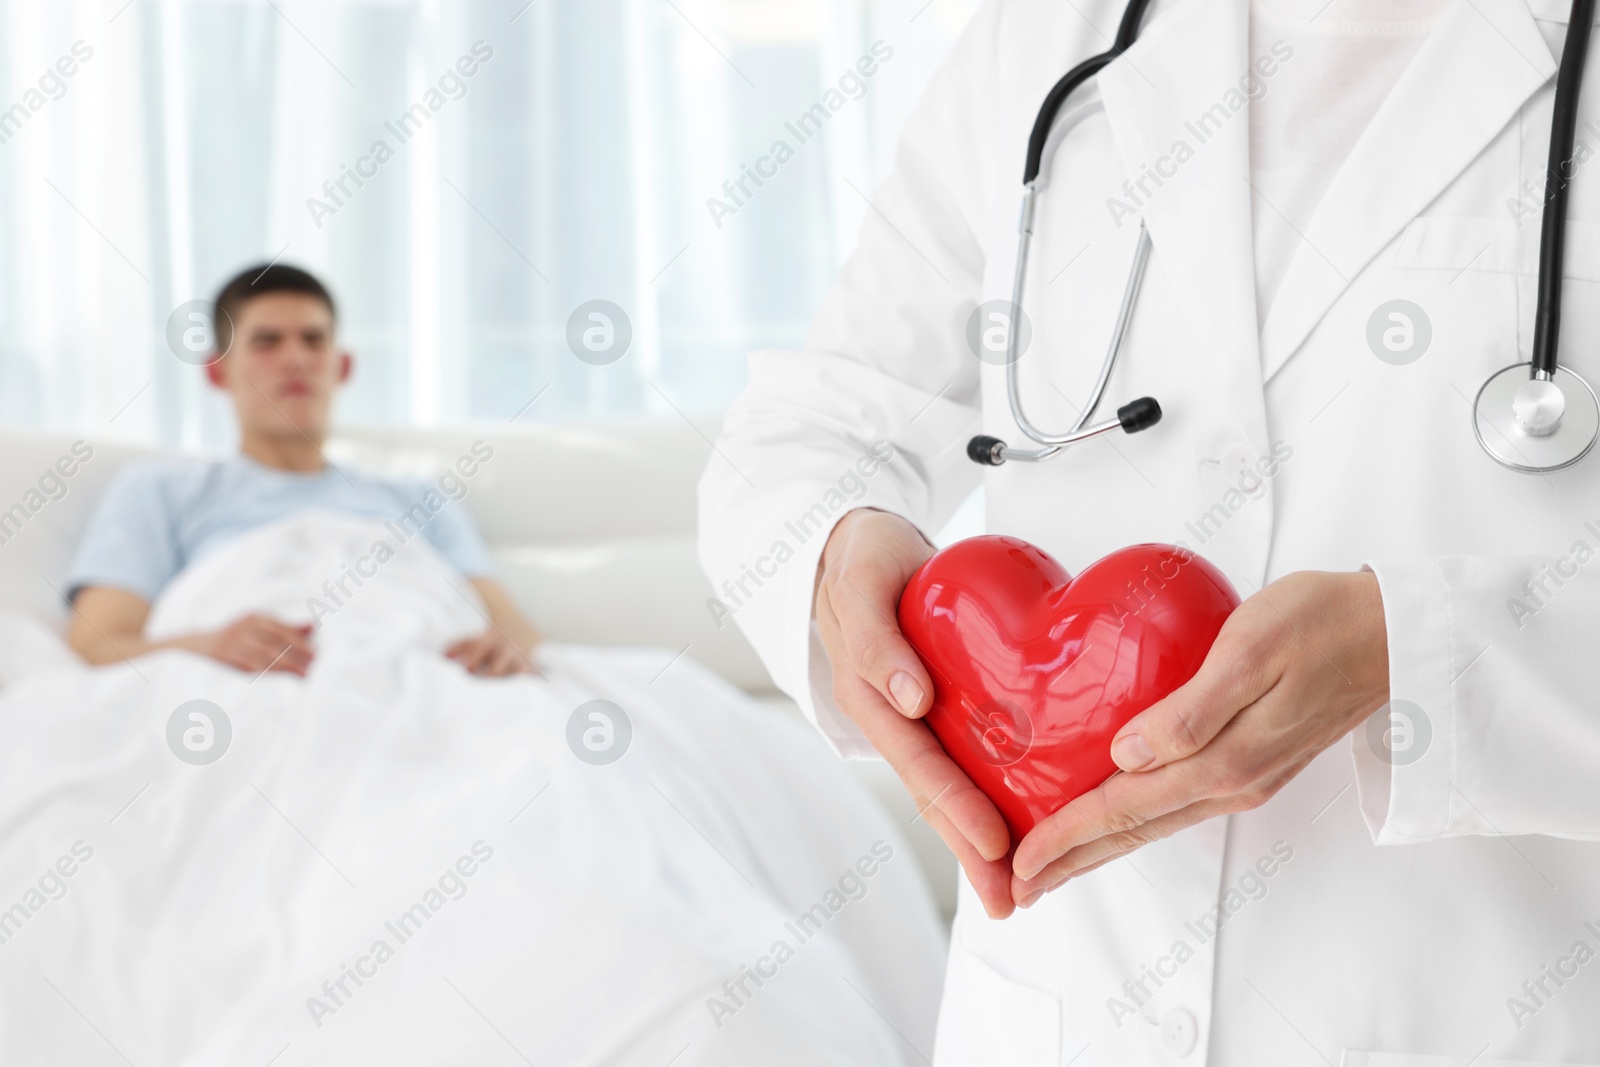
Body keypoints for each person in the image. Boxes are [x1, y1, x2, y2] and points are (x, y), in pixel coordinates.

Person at [700, 0, 1600, 1062]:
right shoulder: (1042, 37)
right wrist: (831, 554)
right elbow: (821, 417)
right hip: (1068, 1005)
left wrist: (1417, 651)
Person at [66, 264, 539, 678]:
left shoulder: (421, 497)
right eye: (267, 342)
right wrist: (208, 646)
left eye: (313, 340)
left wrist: (503, 649)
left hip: (426, 677)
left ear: (342, 366)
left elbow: (511, 627)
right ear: (216, 372)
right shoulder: (159, 488)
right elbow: (97, 642)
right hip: (253, 690)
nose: (295, 358)